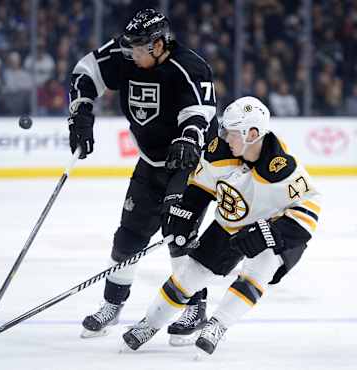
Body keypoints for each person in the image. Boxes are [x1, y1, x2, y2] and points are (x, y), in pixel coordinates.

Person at [122, 96, 321, 356]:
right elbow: (200, 188)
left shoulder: (281, 168)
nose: (225, 137)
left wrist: (267, 235)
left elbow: (309, 211)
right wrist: (185, 216)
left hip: (273, 227)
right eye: (224, 130)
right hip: (231, 222)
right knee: (188, 275)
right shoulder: (221, 151)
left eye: (232, 132)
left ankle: (217, 325)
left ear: (252, 133)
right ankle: (149, 324)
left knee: (257, 273)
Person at [67, 8, 219, 341]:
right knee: (128, 238)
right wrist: (81, 111)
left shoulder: (189, 66)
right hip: (151, 162)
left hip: (190, 164)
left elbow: (201, 112)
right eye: (130, 46)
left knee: (178, 236)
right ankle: (112, 305)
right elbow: (86, 71)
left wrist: (188, 138)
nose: (131, 53)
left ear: (159, 43)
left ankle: (195, 307)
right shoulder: (127, 55)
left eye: (139, 47)